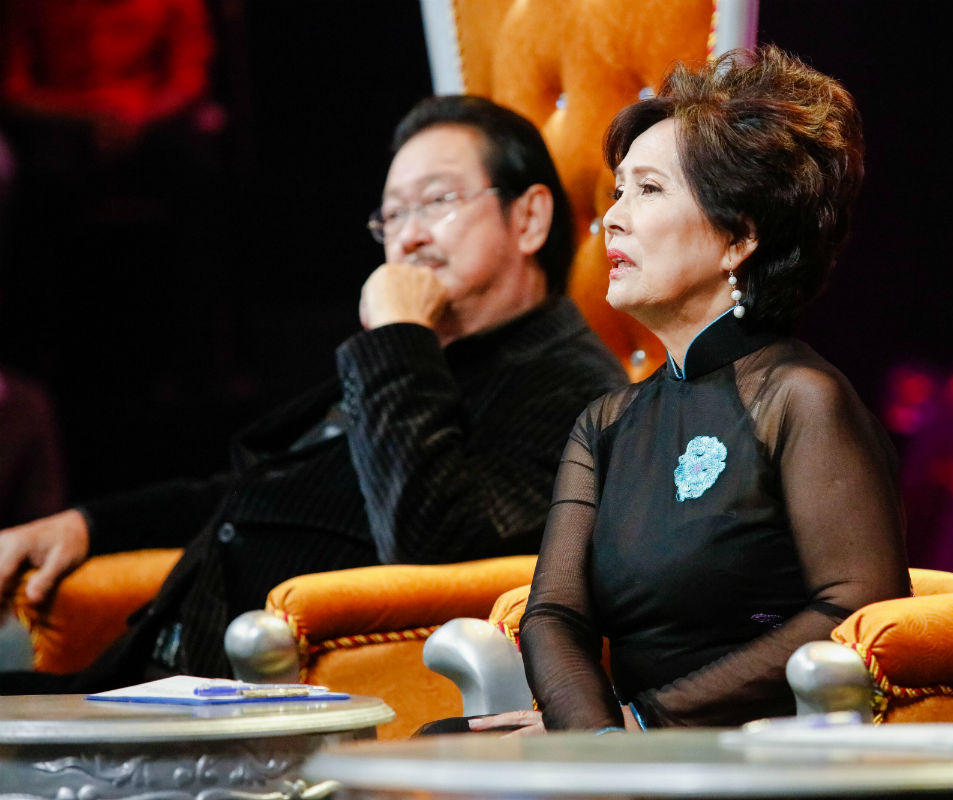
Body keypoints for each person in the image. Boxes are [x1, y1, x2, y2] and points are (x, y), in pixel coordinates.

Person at [0, 95, 627, 691]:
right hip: (158, 674)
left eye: (437, 201)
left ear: (528, 218)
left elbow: (433, 544)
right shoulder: (439, 362)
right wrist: (88, 524)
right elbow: (259, 494)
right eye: (393, 215)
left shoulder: (570, 386)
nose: (407, 238)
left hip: (263, 700)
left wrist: (399, 334)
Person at [469, 46, 910, 733]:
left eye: (648, 190)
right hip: (623, 743)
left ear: (738, 238)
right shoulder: (606, 422)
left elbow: (853, 609)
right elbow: (555, 612)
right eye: (617, 192)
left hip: (751, 746)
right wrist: (595, 740)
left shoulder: (799, 399)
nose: (614, 218)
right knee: (431, 754)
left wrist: (646, 723)